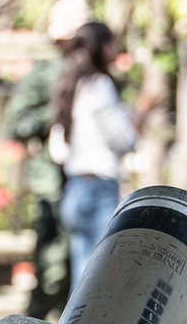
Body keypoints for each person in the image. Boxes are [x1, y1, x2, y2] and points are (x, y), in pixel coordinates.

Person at [2, 0, 91, 320]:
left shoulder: (92, 72)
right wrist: (55, 114)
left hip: (86, 181)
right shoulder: (43, 75)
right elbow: (15, 124)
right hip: (52, 184)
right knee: (52, 268)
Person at [52, 21, 154, 289]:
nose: (116, 49)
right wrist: (141, 113)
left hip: (74, 187)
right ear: (100, 48)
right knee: (98, 280)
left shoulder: (71, 85)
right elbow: (124, 140)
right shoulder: (100, 84)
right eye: (111, 43)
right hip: (98, 188)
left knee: (82, 275)